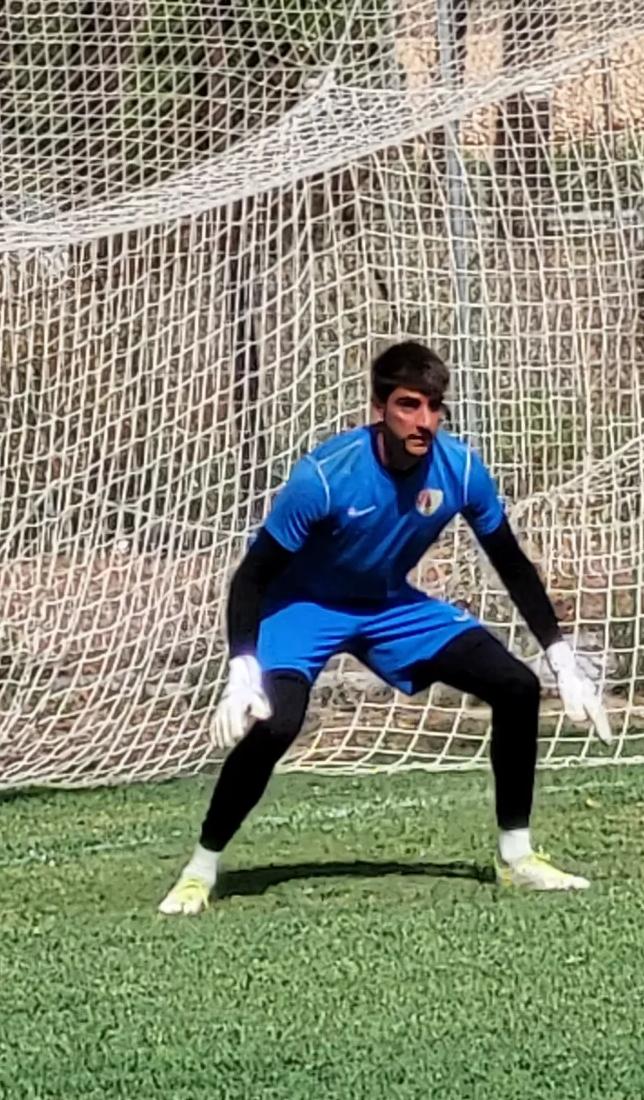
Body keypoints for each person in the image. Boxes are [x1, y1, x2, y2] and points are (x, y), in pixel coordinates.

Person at [160, 339, 617, 915]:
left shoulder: (461, 470)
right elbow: (252, 576)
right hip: (304, 607)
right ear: (379, 408)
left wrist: (561, 657)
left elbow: (511, 561)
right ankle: (200, 869)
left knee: (516, 687)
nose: (423, 420)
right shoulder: (324, 478)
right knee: (277, 724)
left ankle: (517, 858)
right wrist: (242, 667)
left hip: (390, 606)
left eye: (433, 406)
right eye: (408, 404)